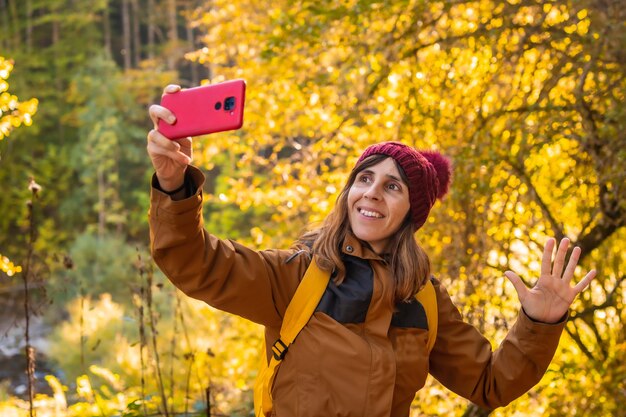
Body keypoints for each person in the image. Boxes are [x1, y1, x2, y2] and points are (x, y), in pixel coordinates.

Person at [146, 84, 597, 417]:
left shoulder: (423, 298)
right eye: (364, 179)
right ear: (347, 193)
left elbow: (490, 383)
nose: (372, 193)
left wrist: (540, 322)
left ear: (410, 214)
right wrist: (173, 183)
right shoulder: (297, 274)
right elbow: (196, 264)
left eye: (392, 186)